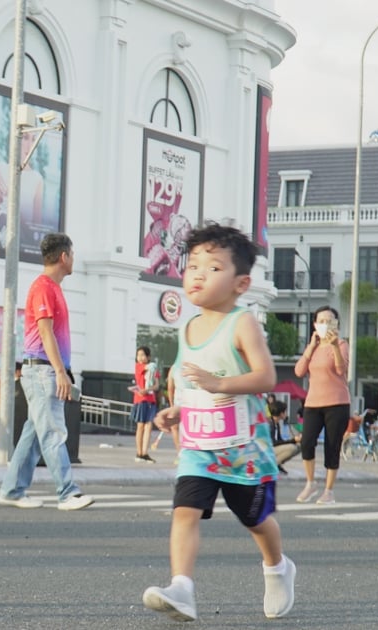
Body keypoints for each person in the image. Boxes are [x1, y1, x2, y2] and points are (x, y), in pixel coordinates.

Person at [141, 223, 294, 622]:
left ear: (240, 283)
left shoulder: (242, 323)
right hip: (199, 447)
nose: (198, 275)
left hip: (245, 450)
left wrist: (220, 383)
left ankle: (277, 567)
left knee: (256, 520)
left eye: (212, 268)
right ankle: (182, 587)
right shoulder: (186, 327)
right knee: (184, 510)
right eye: (193, 265)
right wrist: (177, 411)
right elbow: (193, 387)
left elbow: (266, 377)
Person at [0, 233, 93, 511]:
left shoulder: (53, 288)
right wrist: (61, 372)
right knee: (52, 432)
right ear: (64, 257)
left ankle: (12, 490)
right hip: (42, 371)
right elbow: (45, 331)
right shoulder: (44, 287)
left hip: (44, 370)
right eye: (72, 254)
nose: (74, 259)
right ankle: (67, 492)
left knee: (35, 433)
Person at [293, 305, 350, 505]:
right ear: (315, 324)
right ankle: (310, 483)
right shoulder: (314, 347)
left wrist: (334, 346)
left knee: (332, 446)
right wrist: (311, 346)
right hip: (313, 403)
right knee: (307, 442)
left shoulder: (342, 344)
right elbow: (299, 371)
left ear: (336, 324)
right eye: (321, 321)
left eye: (329, 321)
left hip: (337, 403)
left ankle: (329, 490)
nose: (325, 324)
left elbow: (341, 370)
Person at [131, 346, 159, 463]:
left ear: (148, 357)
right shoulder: (139, 367)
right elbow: (148, 367)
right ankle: (138, 452)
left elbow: (156, 385)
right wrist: (151, 366)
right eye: (138, 355)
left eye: (143, 355)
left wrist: (148, 390)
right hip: (140, 400)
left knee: (149, 426)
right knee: (140, 426)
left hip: (150, 400)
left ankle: (145, 453)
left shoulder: (153, 370)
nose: (140, 358)